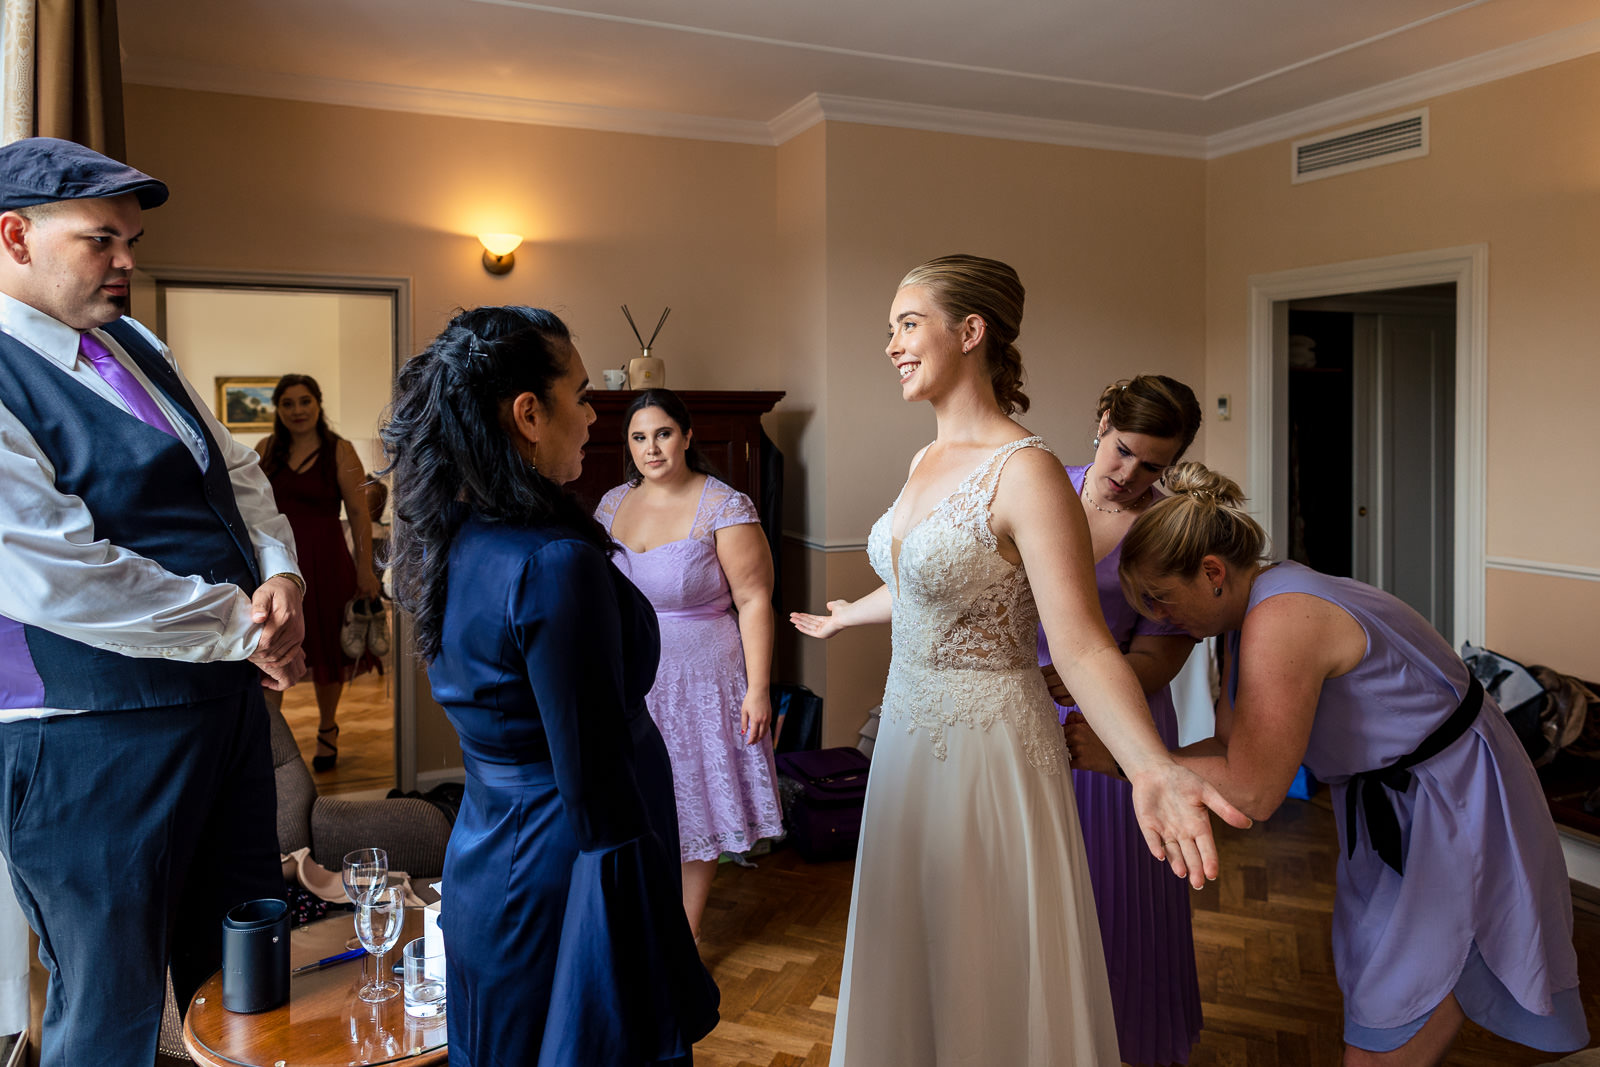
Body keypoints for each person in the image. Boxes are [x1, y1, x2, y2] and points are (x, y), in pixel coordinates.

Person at [790, 254, 1247, 1065]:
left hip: (989, 747)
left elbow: (1080, 644)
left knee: (984, 961)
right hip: (906, 735)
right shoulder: (924, 460)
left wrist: (1151, 767)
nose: (891, 344)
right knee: (913, 941)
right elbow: (926, 581)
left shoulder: (1027, 472)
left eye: (906, 323)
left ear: (970, 332)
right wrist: (848, 614)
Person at [1115, 461, 1588, 1065]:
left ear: (1212, 572)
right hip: (1399, 801)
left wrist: (1132, 764)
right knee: (1381, 977)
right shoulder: (1250, 613)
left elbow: (1256, 793)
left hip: (1456, 801)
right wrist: (1140, 759)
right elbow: (1231, 755)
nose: (1158, 618)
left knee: (1407, 992)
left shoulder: (1282, 618)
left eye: (1159, 598)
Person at [0, 138, 305, 1065]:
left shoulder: (136, 344)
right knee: (113, 1004)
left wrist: (282, 570)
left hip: (222, 711)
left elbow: (237, 471)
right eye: (103, 240)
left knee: (245, 962)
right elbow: (58, 572)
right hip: (90, 738)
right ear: (13, 236)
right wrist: (241, 624)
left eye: (130, 239)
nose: (129, 260)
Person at [381, 306, 719, 1065]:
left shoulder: (456, 536)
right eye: (580, 391)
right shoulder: (551, 563)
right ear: (529, 414)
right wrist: (663, 959)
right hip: (568, 885)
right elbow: (596, 791)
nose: (597, 412)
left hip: (494, 853)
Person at [1039, 374, 1205, 1066]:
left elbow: (1164, 651)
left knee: (1115, 901)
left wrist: (1083, 685)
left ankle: (1123, 1045)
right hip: (1021, 717)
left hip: (1116, 727)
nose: (1130, 474)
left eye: (1153, 466)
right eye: (1123, 450)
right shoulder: (1043, 487)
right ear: (1102, 421)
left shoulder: (1167, 529)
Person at [595, 388, 784, 941]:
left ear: (686, 436)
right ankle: (641, 924)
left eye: (662, 434)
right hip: (633, 675)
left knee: (690, 801)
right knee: (638, 800)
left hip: (704, 675)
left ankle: (684, 939)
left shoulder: (724, 505)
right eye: (638, 437)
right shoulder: (611, 504)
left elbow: (754, 600)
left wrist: (759, 689)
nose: (651, 449)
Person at [254, 373, 381, 770]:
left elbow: (360, 512)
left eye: (304, 401)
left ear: (318, 404)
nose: (297, 410)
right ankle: (271, 740)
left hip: (327, 562)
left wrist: (367, 568)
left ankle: (328, 730)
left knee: (327, 650)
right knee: (271, 650)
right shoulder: (266, 449)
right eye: (288, 403)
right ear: (278, 409)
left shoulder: (339, 451)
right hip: (277, 565)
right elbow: (252, 509)